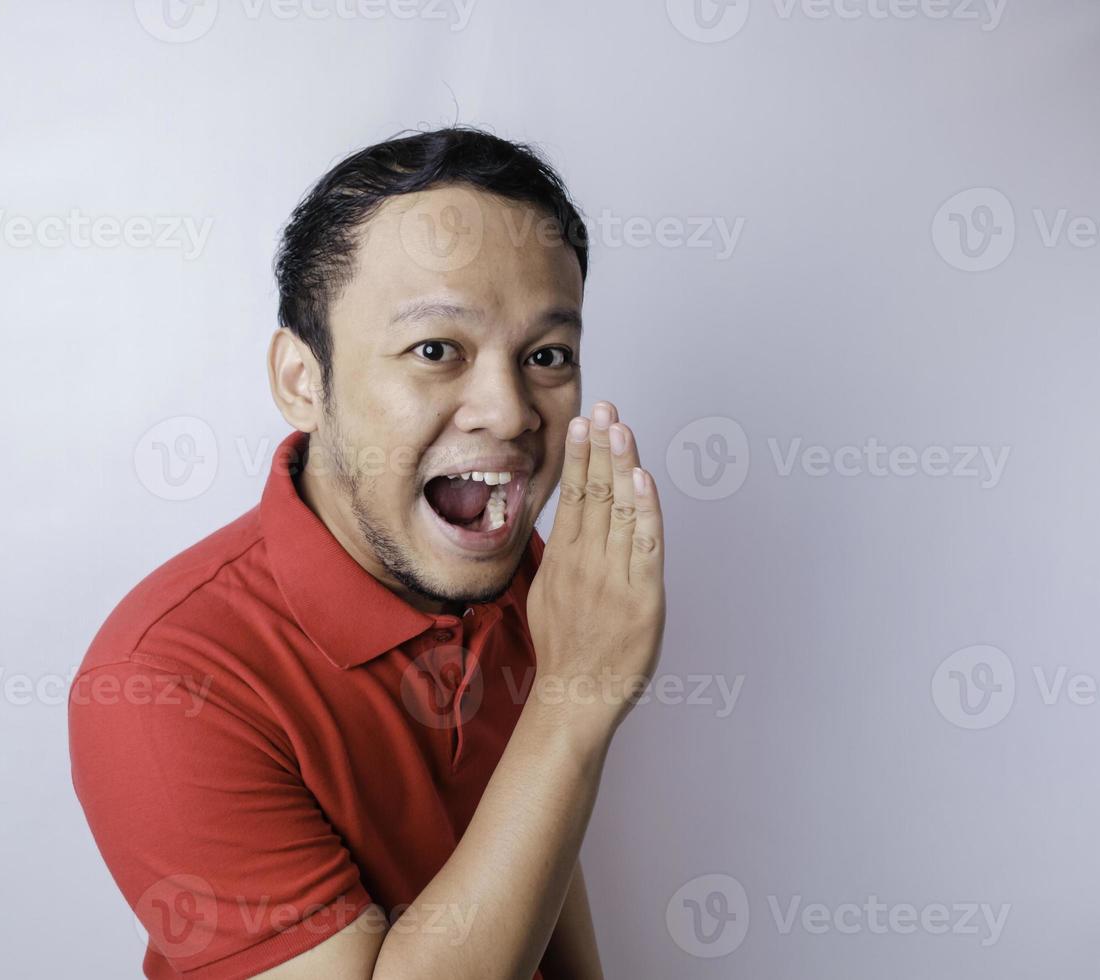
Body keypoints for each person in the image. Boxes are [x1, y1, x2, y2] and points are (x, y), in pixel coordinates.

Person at [68, 126, 666, 980]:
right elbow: (551, 753)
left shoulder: (530, 579)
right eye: (435, 351)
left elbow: (540, 834)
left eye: (545, 356)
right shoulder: (162, 681)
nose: (508, 411)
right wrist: (572, 705)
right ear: (301, 382)